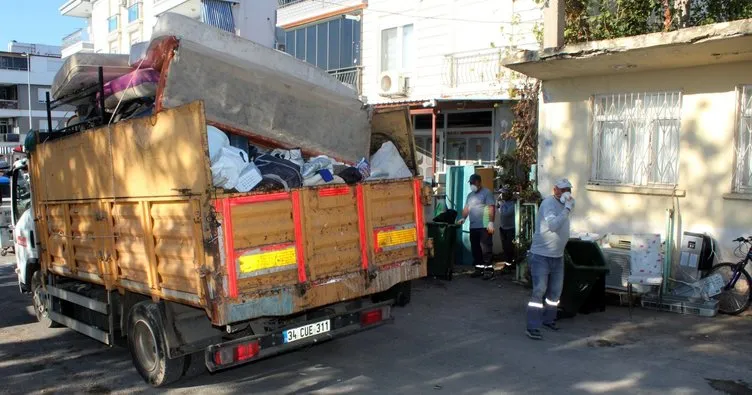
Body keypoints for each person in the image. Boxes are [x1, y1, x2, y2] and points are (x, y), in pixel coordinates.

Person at [525, 178, 575, 340]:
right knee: (539, 291)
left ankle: (548, 319)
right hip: (541, 256)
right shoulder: (548, 204)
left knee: (555, 292)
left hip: (557, 256)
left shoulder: (565, 205)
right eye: (562, 189)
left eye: (568, 189)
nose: (566, 192)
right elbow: (553, 225)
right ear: (555, 190)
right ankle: (532, 326)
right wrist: (567, 210)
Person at [457, 174, 495, 279]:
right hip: (473, 226)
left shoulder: (486, 193)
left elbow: (491, 208)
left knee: (485, 248)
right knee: (475, 248)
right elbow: (466, 208)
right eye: (470, 183)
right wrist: (463, 218)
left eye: (473, 183)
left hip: (484, 225)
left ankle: (488, 270)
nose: (472, 185)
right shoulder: (470, 195)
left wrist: (491, 222)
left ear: (479, 182)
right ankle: (479, 268)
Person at [498, 188, 516, 265]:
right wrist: (499, 203)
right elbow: (500, 210)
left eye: (503, 194)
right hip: (503, 228)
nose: (501, 195)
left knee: (509, 248)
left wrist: (500, 204)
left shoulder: (512, 204)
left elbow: (506, 213)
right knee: (505, 247)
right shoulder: (503, 204)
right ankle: (508, 264)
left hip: (510, 229)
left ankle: (510, 264)